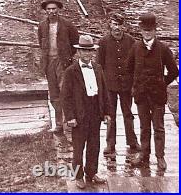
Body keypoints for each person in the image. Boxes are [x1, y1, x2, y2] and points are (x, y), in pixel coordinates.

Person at [127, 13, 179, 170]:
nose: (147, 33)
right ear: (140, 30)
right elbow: (129, 69)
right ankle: (144, 154)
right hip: (141, 95)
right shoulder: (135, 47)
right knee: (144, 126)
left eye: (150, 30)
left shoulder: (163, 48)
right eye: (144, 30)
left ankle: (160, 156)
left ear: (155, 30)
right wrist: (135, 85)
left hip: (157, 95)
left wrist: (163, 83)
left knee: (158, 127)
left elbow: (174, 71)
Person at [61, 35, 111, 189]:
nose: (87, 54)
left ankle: (91, 173)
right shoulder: (71, 71)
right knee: (78, 147)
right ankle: (78, 175)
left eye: (90, 51)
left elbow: (104, 91)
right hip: (79, 112)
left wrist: (107, 112)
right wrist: (70, 116)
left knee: (94, 145)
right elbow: (66, 96)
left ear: (93, 53)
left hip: (95, 110)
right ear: (78, 52)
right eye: (84, 51)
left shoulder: (97, 68)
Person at [97, 13, 140, 155]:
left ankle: (132, 141)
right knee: (110, 114)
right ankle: (110, 143)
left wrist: (134, 83)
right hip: (110, 85)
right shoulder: (103, 42)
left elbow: (135, 64)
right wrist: (101, 85)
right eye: (114, 24)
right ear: (110, 25)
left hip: (126, 85)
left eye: (120, 25)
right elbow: (99, 65)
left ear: (124, 26)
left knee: (128, 113)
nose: (117, 28)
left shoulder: (131, 41)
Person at [38, 0, 79, 133]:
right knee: (54, 93)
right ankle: (59, 124)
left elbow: (74, 43)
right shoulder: (42, 26)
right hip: (49, 62)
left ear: (58, 10)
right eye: (49, 9)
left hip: (63, 63)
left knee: (65, 91)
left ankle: (70, 121)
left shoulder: (67, 25)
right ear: (45, 11)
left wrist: (66, 57)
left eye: (54, 9)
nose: (51, 12)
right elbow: (41, 43)